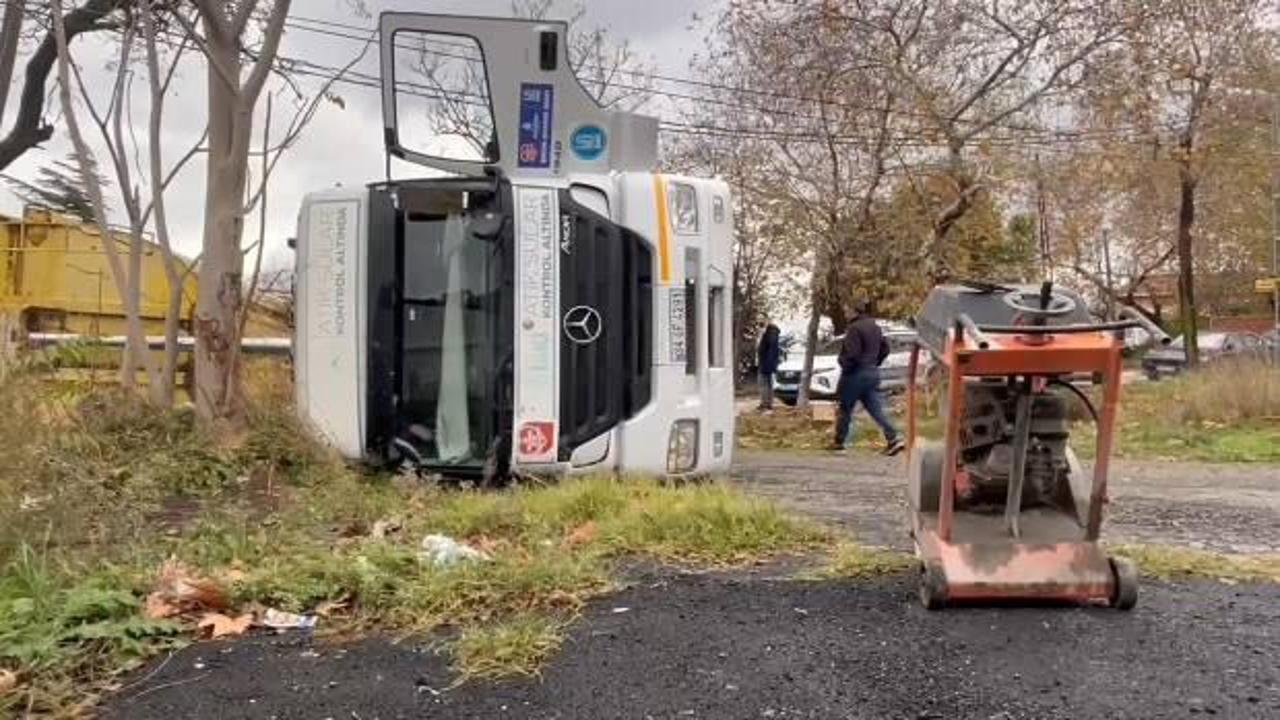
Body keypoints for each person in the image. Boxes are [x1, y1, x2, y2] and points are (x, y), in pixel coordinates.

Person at [832, 301, 904, 455]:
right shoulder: (874, 326)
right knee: (875, 409)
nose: (845, 314)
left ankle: (839, 443)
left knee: (845, 408)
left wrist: (844, 364)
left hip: (855, 374)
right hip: (872, 372)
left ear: (854, 311)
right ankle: (894, 438)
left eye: (847, 311)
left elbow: (852, 354)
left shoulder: (854, 328)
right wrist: (876, 362)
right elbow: (885, 348)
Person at [756, 323, 781, 411]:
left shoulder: (767, 337)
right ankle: (768, 403)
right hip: (769, 364)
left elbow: (765, 351)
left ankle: (765, 403)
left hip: (765, 364)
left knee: (763, 384)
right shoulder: (774, 337)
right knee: (769, 384)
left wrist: (766, 365)